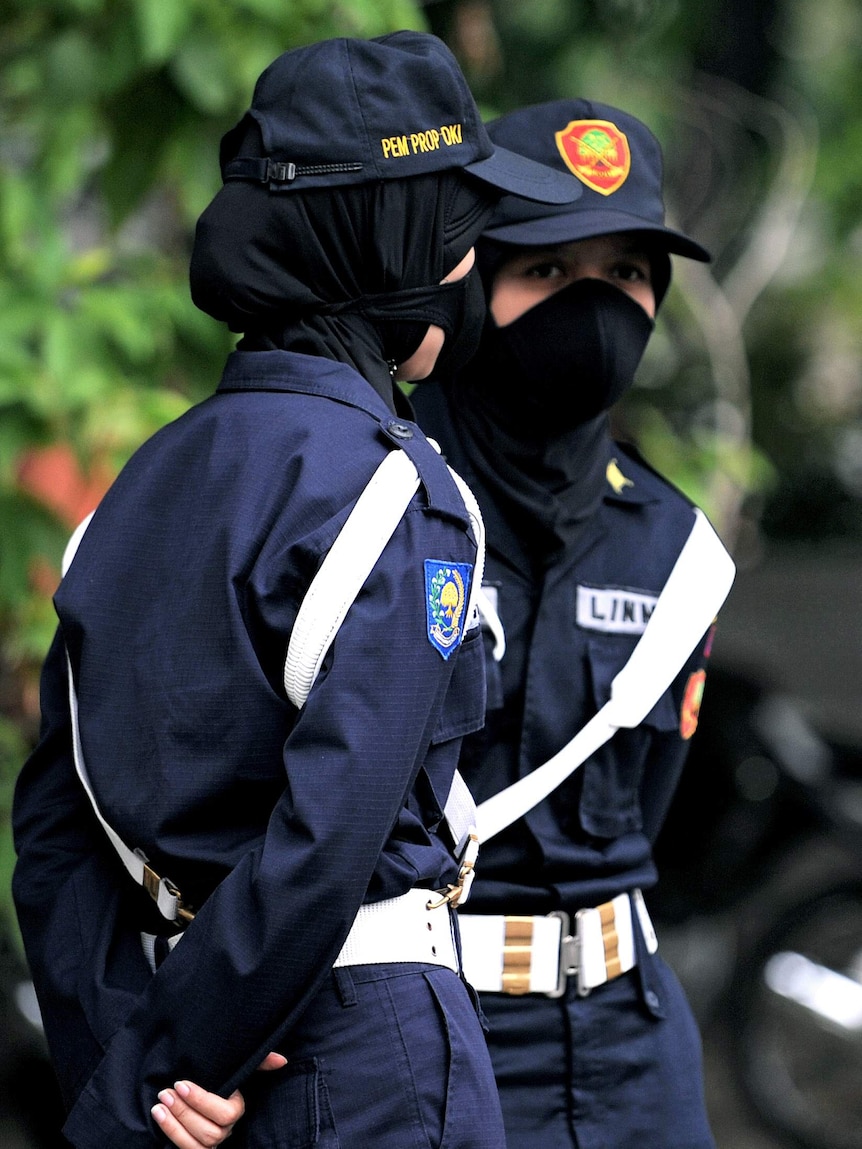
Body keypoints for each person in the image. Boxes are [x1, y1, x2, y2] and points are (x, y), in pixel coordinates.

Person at [11, 36, 579, 1149]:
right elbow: (331, 835)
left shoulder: (136, 488)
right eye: (456, 228)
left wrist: (133, 1073)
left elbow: (53, 828)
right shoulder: (395, 490)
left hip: (187, 1060)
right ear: (393, 242)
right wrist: (188, 1053)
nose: (473, 266)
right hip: (364, 1056)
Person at [411, 99, 727, 1148]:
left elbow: (651, 800)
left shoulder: (670, 544)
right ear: (469, 282)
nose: (594, 310)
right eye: (547, 273)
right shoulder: (383, 507)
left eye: (625, 275)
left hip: (631, 1041)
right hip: (422, 1033)